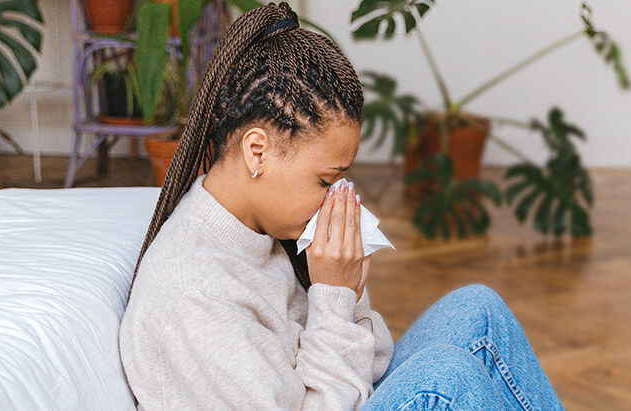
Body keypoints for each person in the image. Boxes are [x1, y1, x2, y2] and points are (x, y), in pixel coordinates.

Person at [118, 2, 564, 410]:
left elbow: (373, 361)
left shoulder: (267, 232)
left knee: (476, 309)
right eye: (326, 180)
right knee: (444, 380)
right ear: (258, 152)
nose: (336, 197)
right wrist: (333, 297)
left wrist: (345, 291)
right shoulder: (195, 295)